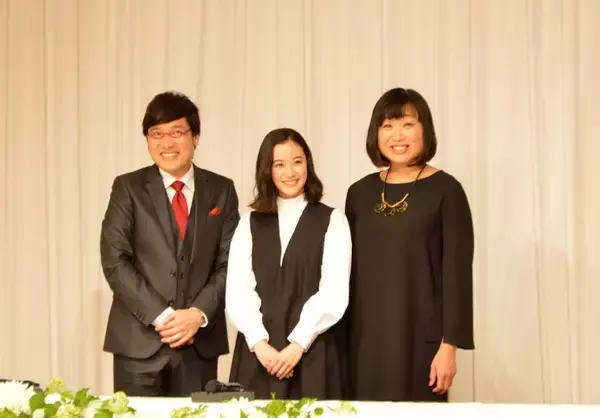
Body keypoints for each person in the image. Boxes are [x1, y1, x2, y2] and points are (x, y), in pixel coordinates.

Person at [100, 91, 240, 396]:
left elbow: (231, 262)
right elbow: (115, 259)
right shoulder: (128, 187)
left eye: (176, 132)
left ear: (195, 137)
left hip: (198, 345)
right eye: (157, 133)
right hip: (138, 344)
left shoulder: (221, 190)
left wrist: (198, 314)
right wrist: (163, 318)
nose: (166, 143)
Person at [344, 88, 475, 402]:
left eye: (407, 125)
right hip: (364, 342)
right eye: (387, 126)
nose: (397, 136)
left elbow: (456, 274)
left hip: (422, 342)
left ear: (424, 130)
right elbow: (346, 273)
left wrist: (449, 347)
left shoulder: (447, 191)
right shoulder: (358, 194)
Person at [226, 128, 352, 399]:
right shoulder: (249, 222)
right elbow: (237, 291)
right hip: (259, 355)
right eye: (279, 164)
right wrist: (260, 345)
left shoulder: (333, 220)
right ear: (267, 170)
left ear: (308, 163)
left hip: (313, 352)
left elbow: (334, 292)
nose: (290, 172)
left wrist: (298, 344)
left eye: (297, 162)